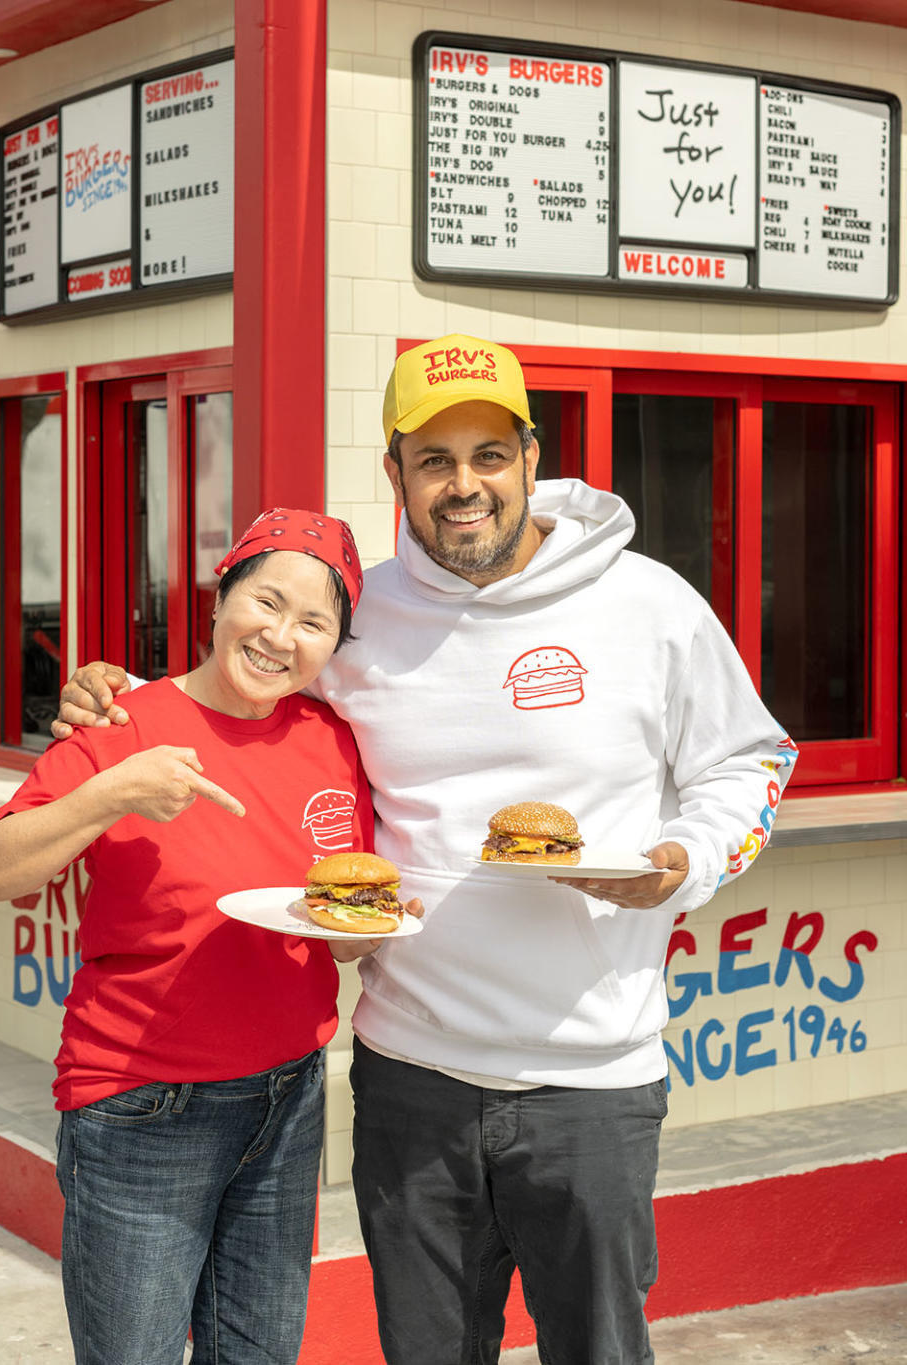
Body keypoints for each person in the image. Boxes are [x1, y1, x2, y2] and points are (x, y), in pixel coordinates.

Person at [54, 335, 798, 1365]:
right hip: (410, 1077)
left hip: (590, 1083)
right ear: (395, 472)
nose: (465, 486)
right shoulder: (362, 622)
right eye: (434, 460)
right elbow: (246, 685)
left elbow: (754, 765)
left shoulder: (649, 606)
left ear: (533, 458)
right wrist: (116, 693)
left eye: (489, 454)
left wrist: (682, 861)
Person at [0, 509, 387, 1365]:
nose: (280, 636)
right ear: (218, 599)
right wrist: (111, 791)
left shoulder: (335, 743)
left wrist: (365, 928)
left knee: (260, 1352)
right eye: (265, 602)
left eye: (313, 622)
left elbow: (342, 937)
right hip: (141, 1104)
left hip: (287, 1099)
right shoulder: (123, 721)